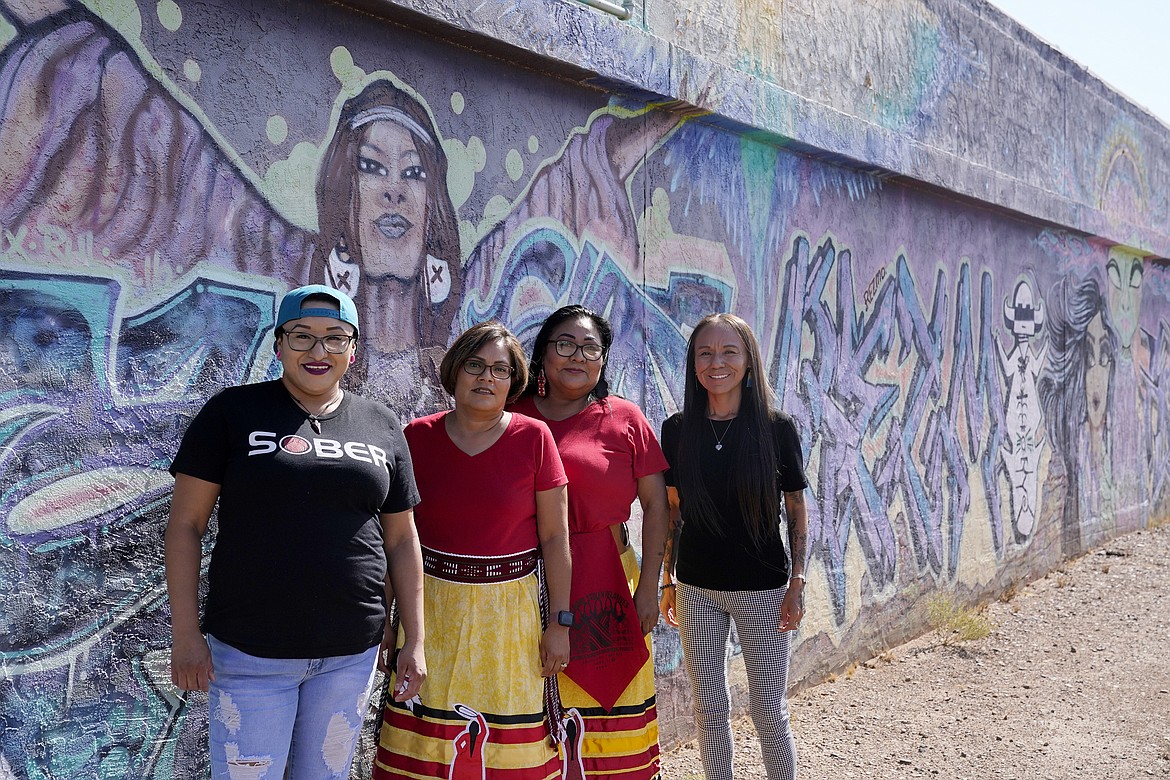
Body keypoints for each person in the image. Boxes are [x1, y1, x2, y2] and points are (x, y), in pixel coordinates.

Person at [165, 284, 427, 779]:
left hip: (350, 654)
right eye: (302, 336)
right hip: (250, 654)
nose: (318, 351)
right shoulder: (231, 413)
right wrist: (185, 634)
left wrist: (414, 638)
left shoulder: (382, 425)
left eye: (334, 337)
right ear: (278, 345)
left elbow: (400, 540)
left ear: (353, 349)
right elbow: (185, 525)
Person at [373, 321, 573, 780]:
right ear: (454, 372)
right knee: (424, 744)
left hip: (510, 619)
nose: (486, 378)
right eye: (475, 366)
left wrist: (560, 624)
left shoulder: (534, 439)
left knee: (505, 751)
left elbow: (556, 540)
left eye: (500, 370)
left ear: (514, 380)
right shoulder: (415, 438)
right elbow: (395, 541)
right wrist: (385, 621)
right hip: (430, 613)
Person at [511, 305, 670, 779]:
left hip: (611, 579)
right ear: (542, 354)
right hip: (525, 581)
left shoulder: (624, 418)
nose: (576, 355)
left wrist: (649, 590)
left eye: (590, 348)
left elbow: (658, 508)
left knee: (612, 707)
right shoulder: (511, 415)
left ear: (602, 359)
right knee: (533, 697)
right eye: (564, 344)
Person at [658, 313, 810, 780]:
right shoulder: (677, 430)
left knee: (767, 710)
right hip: (697, 589)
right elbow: (673, 514)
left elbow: (798, 512)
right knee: (710, 709)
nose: (716, 362)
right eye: (705, 353)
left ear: (748, 361)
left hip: (763, 589)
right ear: (693, 364)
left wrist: (797, 581)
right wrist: (668, 580)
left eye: (729, 352)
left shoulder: (776, 428)